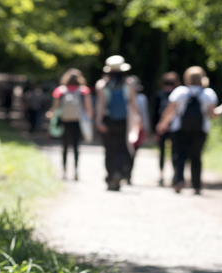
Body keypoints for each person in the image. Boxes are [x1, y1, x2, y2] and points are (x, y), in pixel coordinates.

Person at [156, 66, 222, 195]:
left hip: (179, 129)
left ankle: (179, 180)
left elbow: (169, 111)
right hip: (201, 130)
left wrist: (162, 124)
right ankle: (196, 185)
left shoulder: (180, 91)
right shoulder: (208, 93)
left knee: (180, 155)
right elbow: (213, 114)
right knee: (196, 157)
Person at [95, 55, 141, 191]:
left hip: (107, 120)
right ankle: (118, 172)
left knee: (109, 150)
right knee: (122, 148)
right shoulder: (129, 83)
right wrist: (138, 119)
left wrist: (98, 121)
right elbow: (133, 103)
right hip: (123, 120)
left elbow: (100, 105)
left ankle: (110, 176)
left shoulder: (102, 84)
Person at [46, 68, 94, 181]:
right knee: (76, 147)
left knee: (65, 147)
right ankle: (76, 170)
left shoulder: (60, 90)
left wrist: (50, 115)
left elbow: (55, 107)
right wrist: (90, 122)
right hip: (78, 122)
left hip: (64, 121)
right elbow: (88, 109)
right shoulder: (84, 91)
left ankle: (64, 171)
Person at [152, 72, 181, 186]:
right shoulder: (178, 94)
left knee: (162, 153)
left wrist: (154, 130)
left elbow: (154, 113)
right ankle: (175, 175)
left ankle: (161, 175)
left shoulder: (158, 94)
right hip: (175, 127)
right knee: (175, 152)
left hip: (161, 128)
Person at [127, 75, 149, 185]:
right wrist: (146, 129)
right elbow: (144, 115)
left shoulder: (124, 97)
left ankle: (126, 174)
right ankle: (128, 175)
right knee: (133, 153)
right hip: (136, 127)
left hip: (132, 127)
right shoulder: (141, 99)